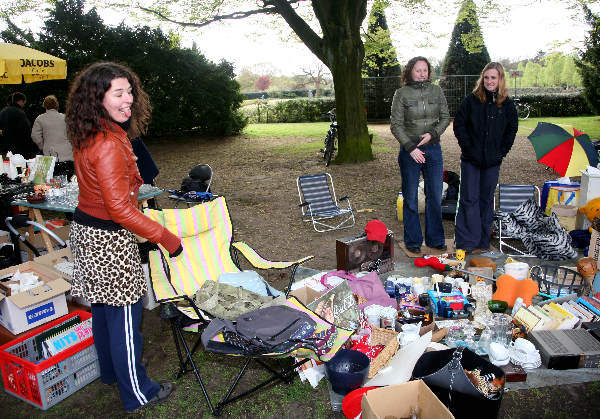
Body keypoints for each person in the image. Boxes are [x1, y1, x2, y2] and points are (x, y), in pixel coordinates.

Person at [65, 62, 182, 413]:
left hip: (87, 231)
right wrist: (166, 237)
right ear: (97, 99)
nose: (128, 99)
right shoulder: (107, 143)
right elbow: (120, 210)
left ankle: (111, 374)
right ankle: (138, 391)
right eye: (119, 93)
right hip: (108, 241)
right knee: (126, 319)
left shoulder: (92, 130)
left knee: (102, 311)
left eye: (129, 90)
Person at [454, 62, 518, 252]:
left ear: (500, 80)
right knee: (469, 199)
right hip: (471, 161)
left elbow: (511, 130)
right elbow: (459, 125)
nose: (489, 81)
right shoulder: (471, 100)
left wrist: (501, 152)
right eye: (487, 77)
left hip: (492, 162)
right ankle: (467, 242)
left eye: (493, 78)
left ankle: (482, 241)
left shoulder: (506, 105)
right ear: (482, 79)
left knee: (486, 199)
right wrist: (468, 148)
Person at [390, 56, 450, 254]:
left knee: (434, 195)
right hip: (410, 152)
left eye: (425, 70)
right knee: (410, 198)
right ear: (410, 71)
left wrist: (432, 134)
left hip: (433, 149)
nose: (422, 73)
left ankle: (435, 240)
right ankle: (413, 241)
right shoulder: (401, 94)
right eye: (418, 70)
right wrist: (410, 147)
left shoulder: (437, 91)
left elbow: (445, 118)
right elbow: (396, 125)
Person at [31, 95, 74, 179]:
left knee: (53, 181)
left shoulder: (40, 119)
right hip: (68, 155)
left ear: (44, 105)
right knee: (69, 181)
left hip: (50, 156)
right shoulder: (65, 117)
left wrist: (42, 146)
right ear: (57, 105)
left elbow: (35, 136)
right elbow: (73, 134)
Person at [0, 92, 38, 158]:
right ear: (20, 101)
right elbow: (27, 131)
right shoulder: (20, 113)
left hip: (5, 149)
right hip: (19, 150)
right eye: (24, 102)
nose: (24, 104)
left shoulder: (3, 112)